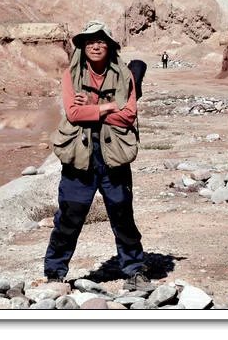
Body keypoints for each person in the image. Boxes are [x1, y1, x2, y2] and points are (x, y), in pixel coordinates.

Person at [44, 20, 153, 291]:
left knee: (122, 214)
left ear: (109, 46)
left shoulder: (125, 76)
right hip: (80, 157)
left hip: (113, 157)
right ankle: (55, 273)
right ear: (83, 46)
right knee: (69, 216)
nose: (95, 46)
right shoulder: (71, 75)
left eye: (101, 41)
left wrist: (93, 105)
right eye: (90, 41)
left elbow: (128, 116)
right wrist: (108, 106)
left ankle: (134, 269)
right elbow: (74, 114)